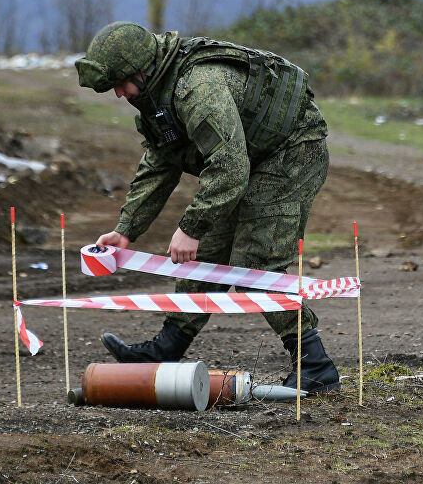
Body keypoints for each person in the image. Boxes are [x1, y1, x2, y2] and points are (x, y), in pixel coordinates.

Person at [75, 21, 341, 394]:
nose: (119, 93)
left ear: (143, 70)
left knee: (256, 263)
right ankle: (167, 349)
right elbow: (159, 163)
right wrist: (126, 229)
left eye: (121, 83)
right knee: (209, 257)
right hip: (251, 156)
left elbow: (230, 169)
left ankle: (316, 366)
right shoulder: (157, 96)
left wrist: (191, 226)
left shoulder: (198, 88)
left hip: (291, 153)